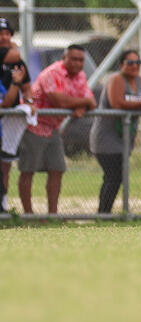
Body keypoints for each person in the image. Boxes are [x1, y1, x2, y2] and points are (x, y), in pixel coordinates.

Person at [19, 45, 96, 214]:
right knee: (28, 170)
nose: (77, 63)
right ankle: (28, 215)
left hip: (53, 127)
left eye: (81, 60)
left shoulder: (81, 76)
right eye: (73, 59)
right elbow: (60, 101)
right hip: (34, 126)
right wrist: (82, 103)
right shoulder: (52, 73)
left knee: (57, 169)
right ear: (64, 58)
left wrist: (81, 106)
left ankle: (52, 215)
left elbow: (92, 101)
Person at [90, 50, 141, 213]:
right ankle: (103, 213)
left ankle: (105, 212)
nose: (135, 67)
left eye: (138, 63)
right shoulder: (116, 80)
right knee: (113, 176)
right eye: (130, 63)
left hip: (126, 138)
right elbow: (117, 104)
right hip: (106, 138)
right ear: (121, 65)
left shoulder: (140, 81)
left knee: (115, 177)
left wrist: (138, 103)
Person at [0, 18, 32, 211]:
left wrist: (29, 102)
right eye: (0, 34)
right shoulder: (12, 54)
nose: (4, 37)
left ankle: (2, 206)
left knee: (5, 164)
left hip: (7, 122)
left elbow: (28, 89)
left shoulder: (17, 62)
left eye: (7, 34)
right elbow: (15, 53)